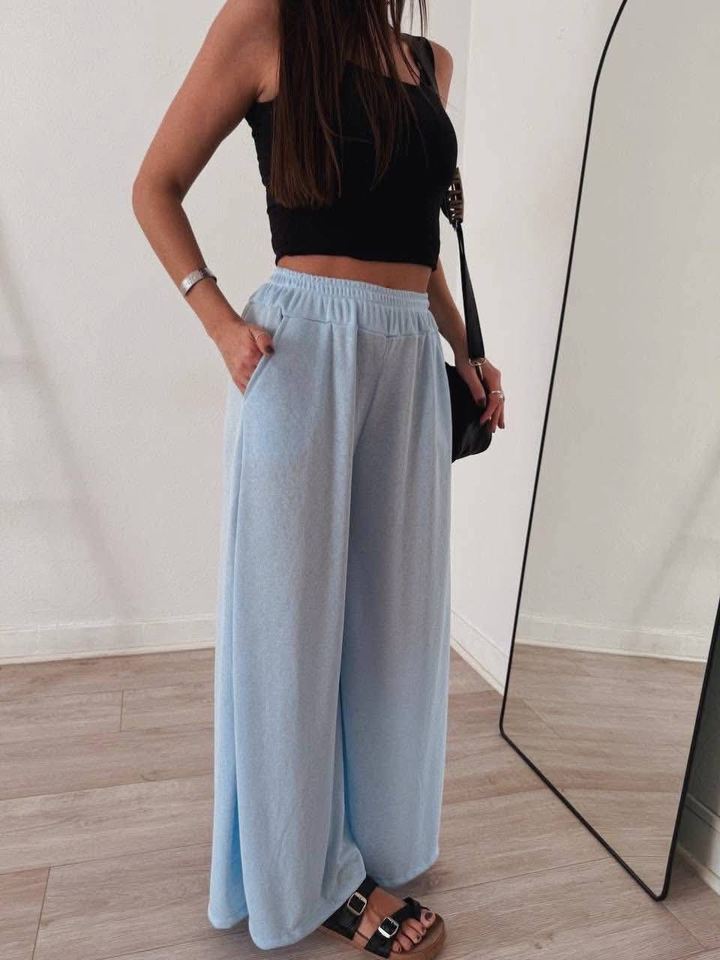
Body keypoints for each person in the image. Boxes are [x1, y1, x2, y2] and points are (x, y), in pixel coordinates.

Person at [132, 0, 505, 955]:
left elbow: (416, 249)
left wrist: (465, 351)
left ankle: (378, 843)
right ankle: (310, 877)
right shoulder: (268, 22)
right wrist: (218, 320)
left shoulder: (430, 61)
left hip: (406, 359)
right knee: (287, 631)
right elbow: (155, 187)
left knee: (396, 624)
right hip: (300, 353)